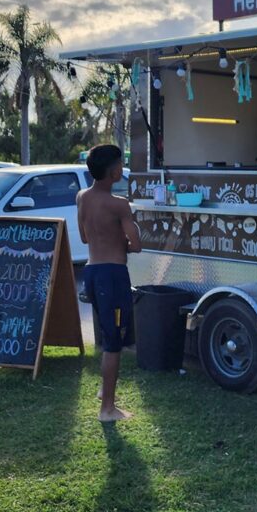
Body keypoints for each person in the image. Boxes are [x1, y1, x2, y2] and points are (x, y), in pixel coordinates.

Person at [77, 144, 142, 422]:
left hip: (91, 272)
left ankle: (105, 392)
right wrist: (124, 239)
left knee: (107, 334)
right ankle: (107, 410)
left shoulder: (82, 197)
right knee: (113, 344)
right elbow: (136, 244)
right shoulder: (119, 204)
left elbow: (84, 237)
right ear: (115, 171)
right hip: (112, 276)